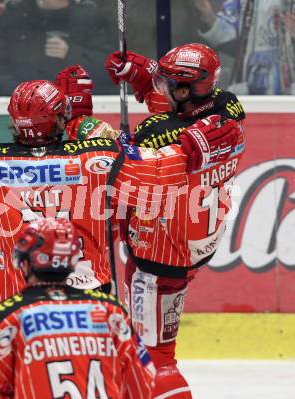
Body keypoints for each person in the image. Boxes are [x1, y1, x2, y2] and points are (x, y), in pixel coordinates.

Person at [0, 79, 240, 304]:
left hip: (17, 303)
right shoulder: (98, 158)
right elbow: (157, 174)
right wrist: (189, 149)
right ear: (59, 117)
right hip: (91, 297)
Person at [105, 42, 246, 398]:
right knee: (149, 350)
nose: (159, 87)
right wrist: (140, 73)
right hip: (190, 240)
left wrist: (108, 140)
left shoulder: (163, 137)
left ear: (185, 90)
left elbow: (129, 168)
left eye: (166, 82)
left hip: (162, 254)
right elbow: (175, 112)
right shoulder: (222, 109)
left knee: (153, 359)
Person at [0, 217, 155, 398]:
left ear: (24, 264)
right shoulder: (112, 312)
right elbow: (144, 387)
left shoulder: (7, 317)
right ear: (74, 261)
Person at [0, 0, 114, 96]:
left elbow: (108, 69)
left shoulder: (88, 18)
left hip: (74, 109)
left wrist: (71, 54)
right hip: (21, 108)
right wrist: (24, 92)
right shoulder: (14, 16)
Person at [192, 0, 295, 94]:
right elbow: (226, 36)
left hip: (288, 87)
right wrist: (208, 15)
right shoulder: (241, 2)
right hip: (249, 84)